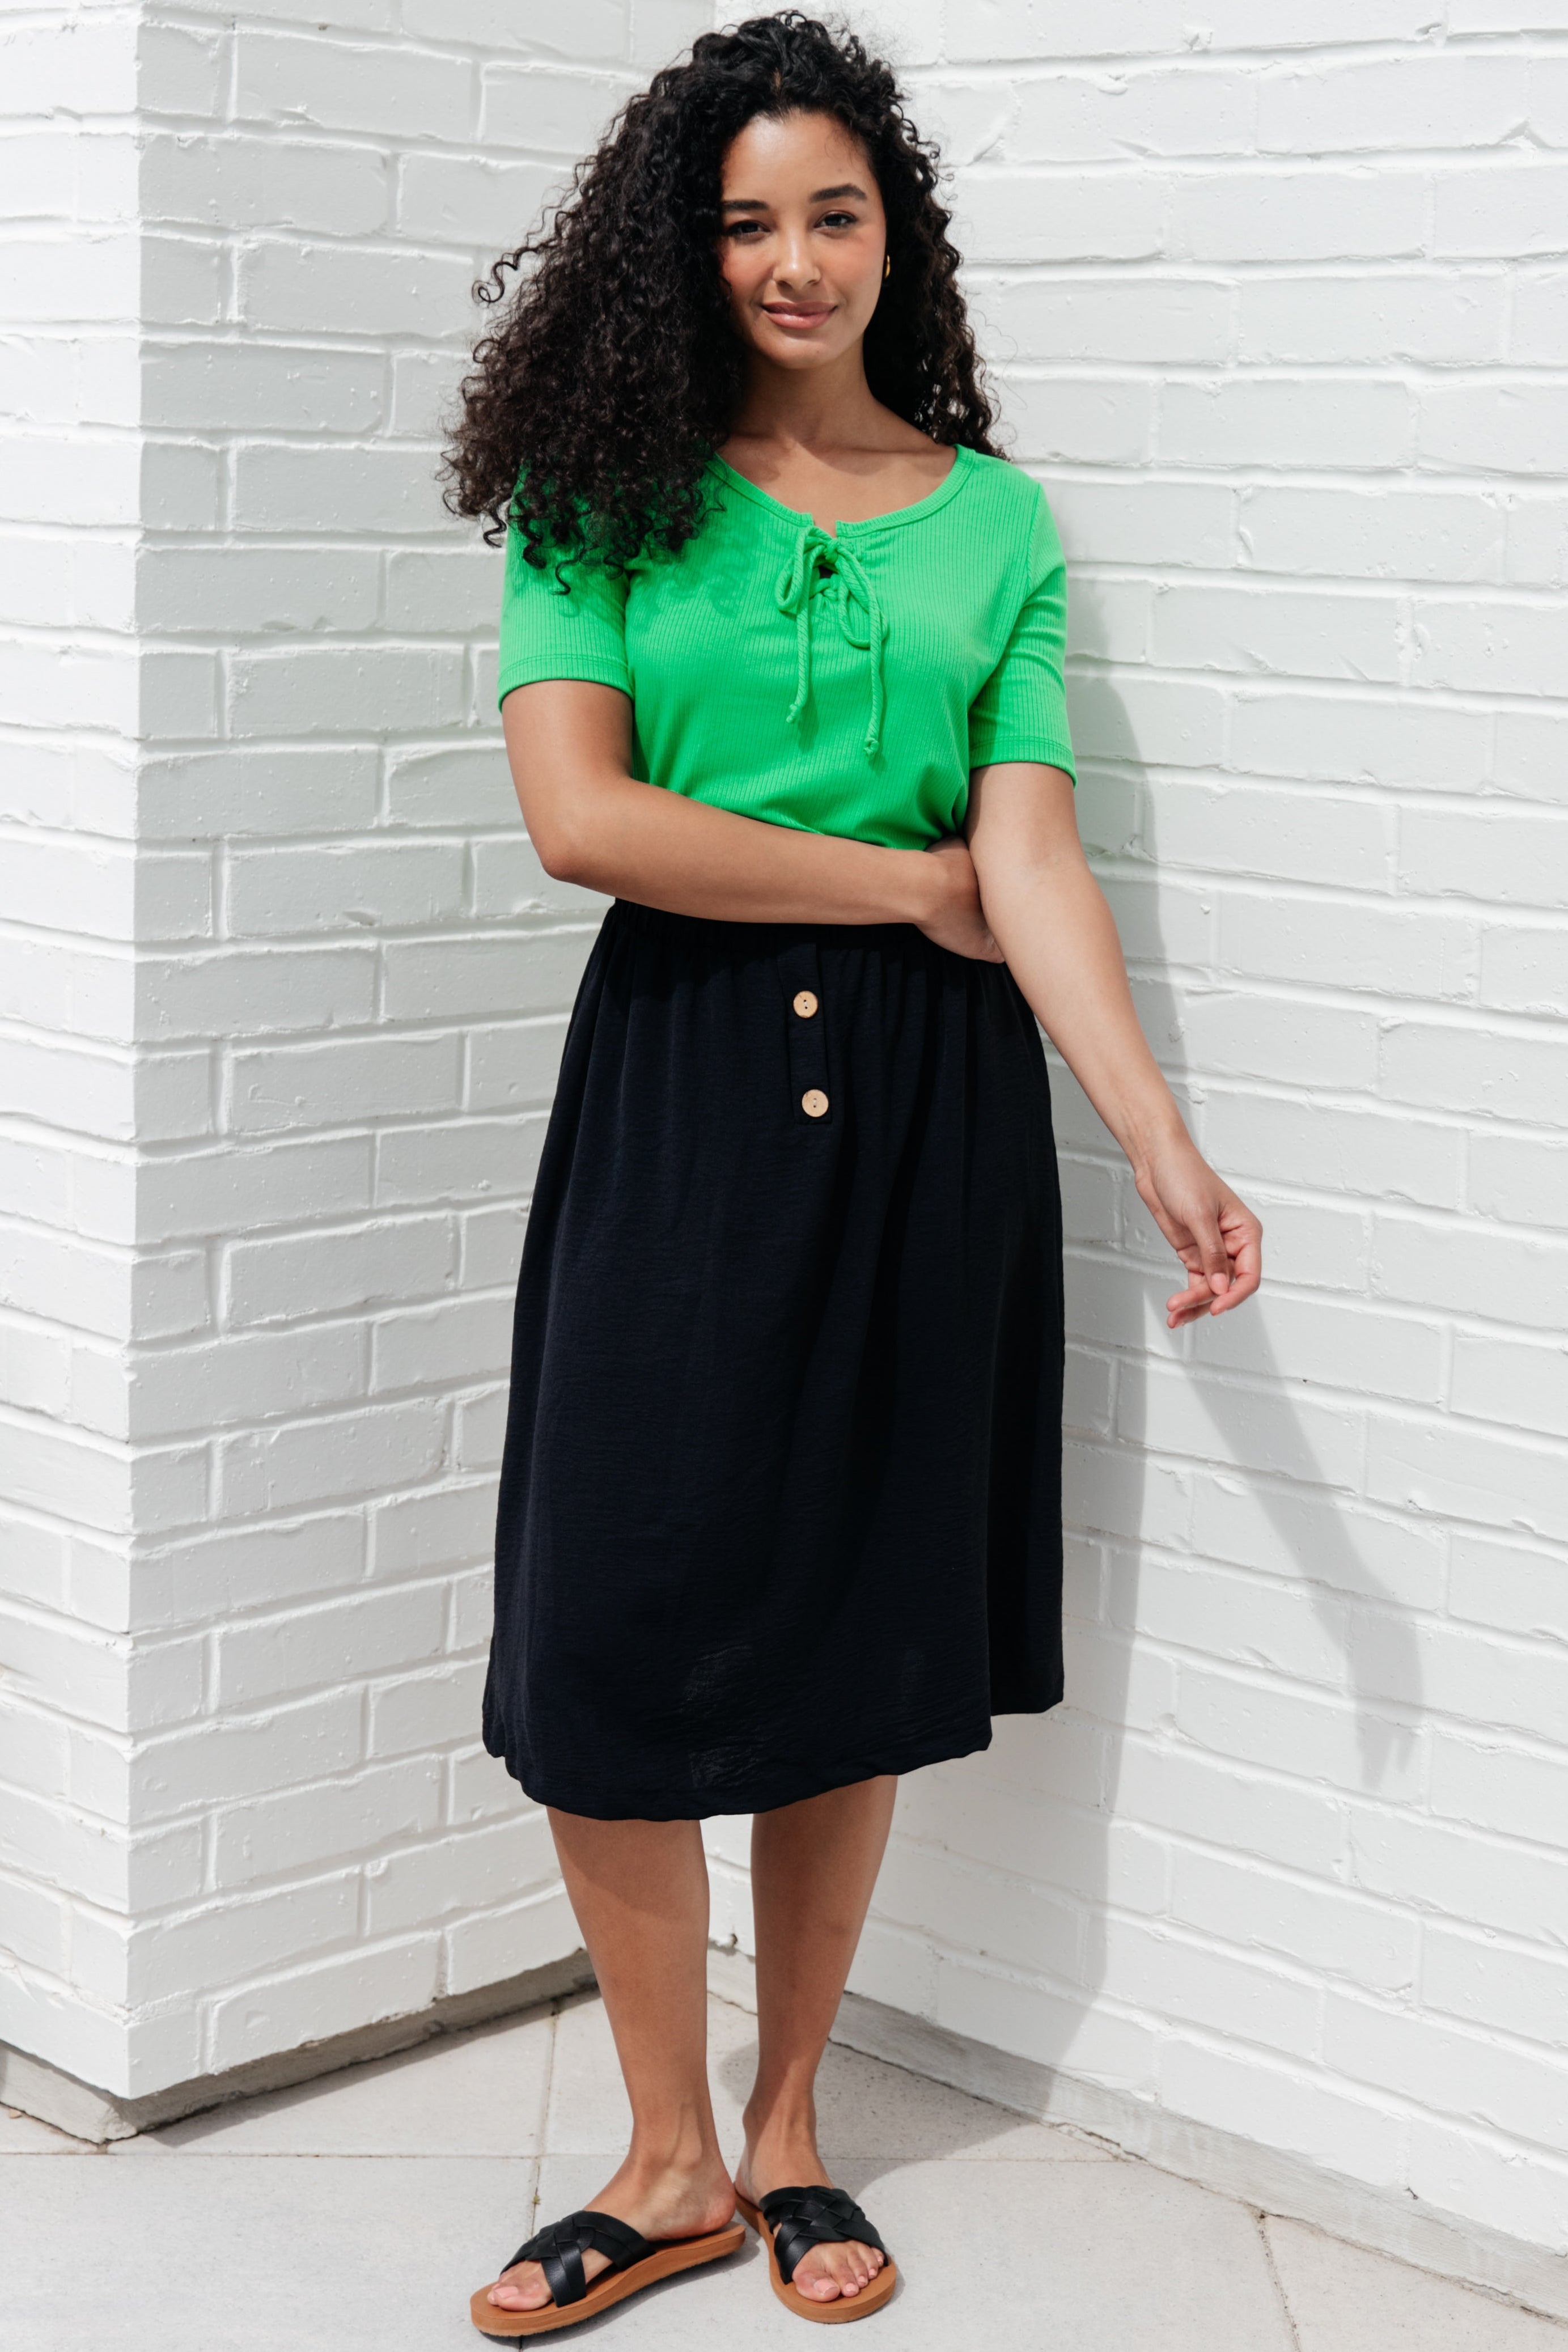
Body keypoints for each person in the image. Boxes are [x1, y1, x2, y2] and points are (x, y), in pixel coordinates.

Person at [443, 12, 1261, 2335]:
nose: (795, 261)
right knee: (608, 1617)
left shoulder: (994, 519)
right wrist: (906, 890)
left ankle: (783, 2133)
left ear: (897, 234)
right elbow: (581, 820)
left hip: (933, 1109)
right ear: (679, 252)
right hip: (684, 1076)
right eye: (745, 224)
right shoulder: (599, 493)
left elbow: (1032, 853)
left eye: (835, 214)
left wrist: (1157, 1134)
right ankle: (662, 2160)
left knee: (847, 1610)